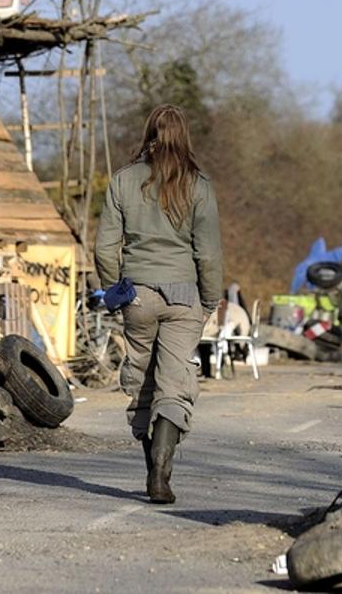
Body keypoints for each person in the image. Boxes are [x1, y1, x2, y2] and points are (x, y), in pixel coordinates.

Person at [94, 104, 223, 504]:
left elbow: (104, 248)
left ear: (149, 132)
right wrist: (210, 299)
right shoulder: (198, 185)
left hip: (139, 295)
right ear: (184, 137)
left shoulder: (123, 181)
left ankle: (153, 469)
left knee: (142, 383)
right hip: (185, 297)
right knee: (174, 384)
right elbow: (209, 254)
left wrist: (115, 288)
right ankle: (161, 476)